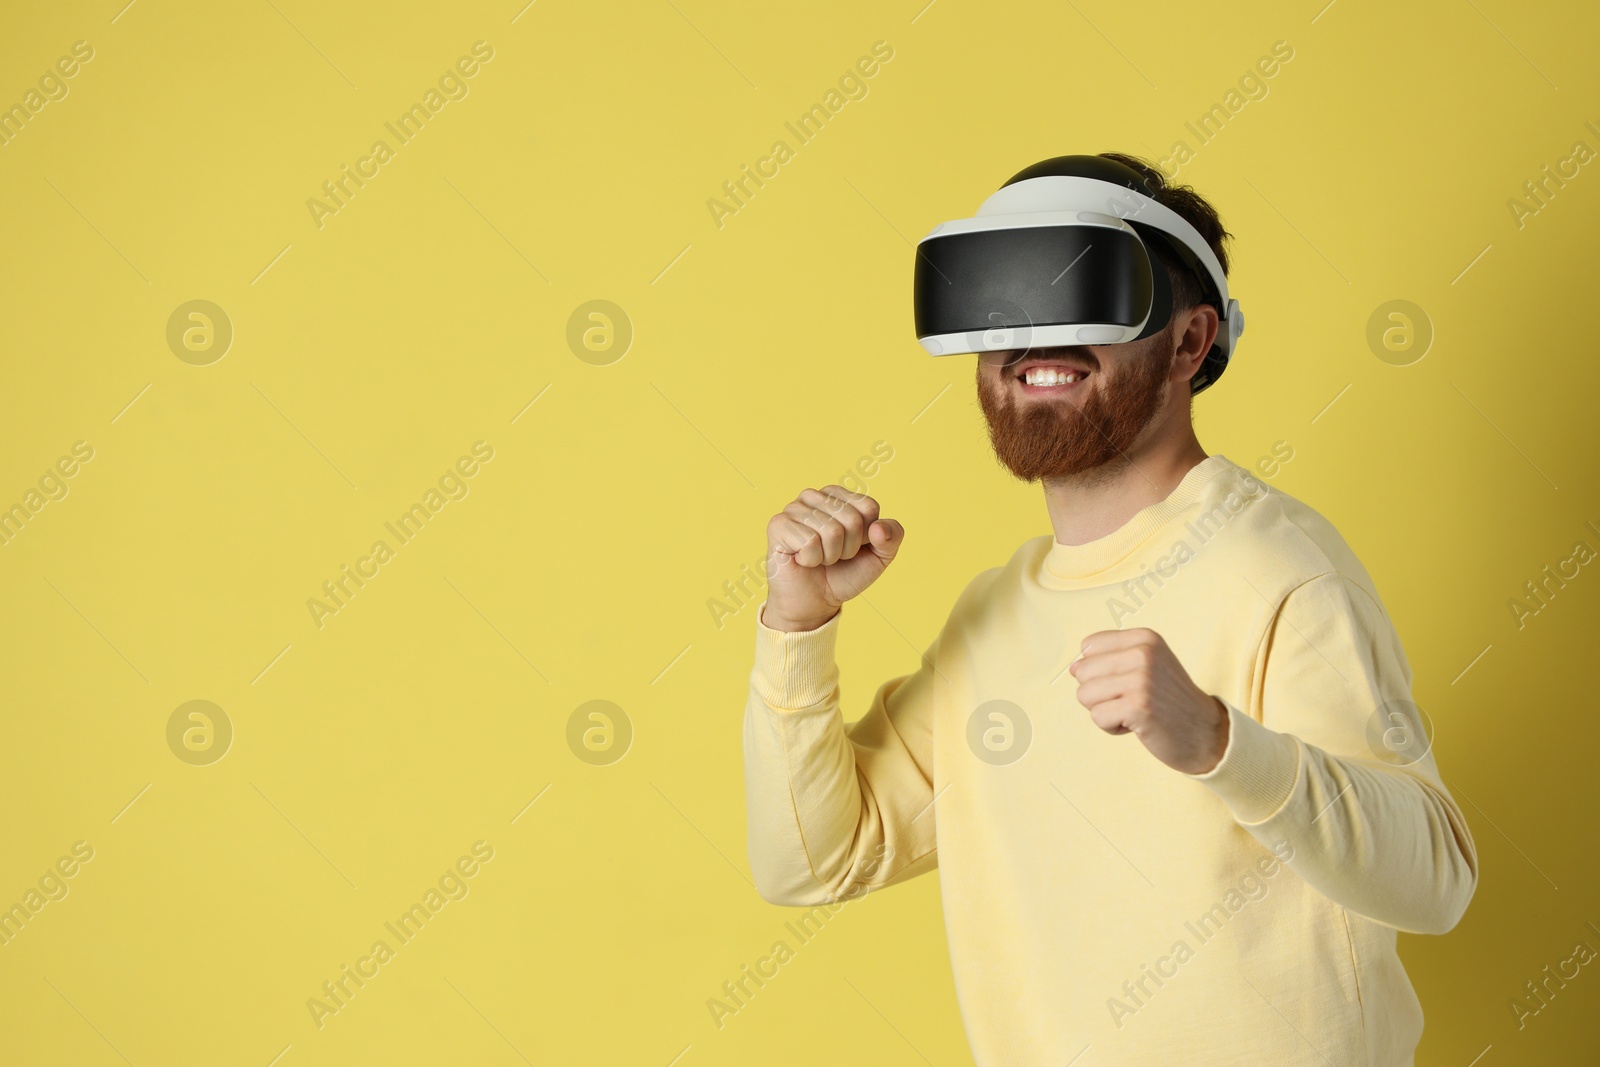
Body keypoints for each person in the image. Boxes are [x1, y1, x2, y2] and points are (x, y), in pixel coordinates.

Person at [741, 152, 1479, 1065]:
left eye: (1082, 290)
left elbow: (1439, 880)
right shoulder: (993, 617)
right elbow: (813, 861)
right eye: (1004, 302)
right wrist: (798, 628)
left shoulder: (1278, 570)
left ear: (1187, 342)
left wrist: (1218, 741)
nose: (1036, 341)